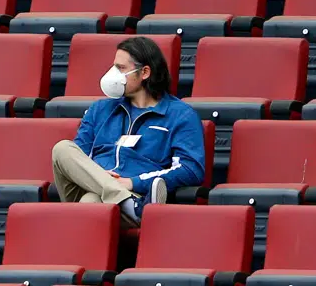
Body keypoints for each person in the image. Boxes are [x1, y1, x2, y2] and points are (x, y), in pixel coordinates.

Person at [51, 36, 206, 225]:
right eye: (114, 67)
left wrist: (132, 182)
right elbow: (79, 157)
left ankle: (125, 201)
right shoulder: (100, 109)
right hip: (92, 186)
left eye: (121, 68)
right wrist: (102, 178)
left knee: (90, 202)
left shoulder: (180, 115)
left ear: (145, 72)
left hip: (137, 191)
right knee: (62, 148)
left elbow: (190, 170)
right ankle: (129, 205)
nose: (112, 74)